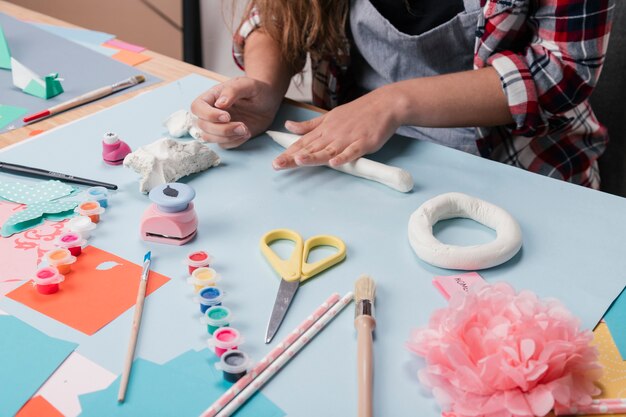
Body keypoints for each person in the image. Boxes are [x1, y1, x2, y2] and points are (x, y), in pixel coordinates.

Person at [190, 0, 615, 188]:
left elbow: (561, 71)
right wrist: (264, 86)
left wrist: (393, 102)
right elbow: (278, 15)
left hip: (519, 163)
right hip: (356, 154)